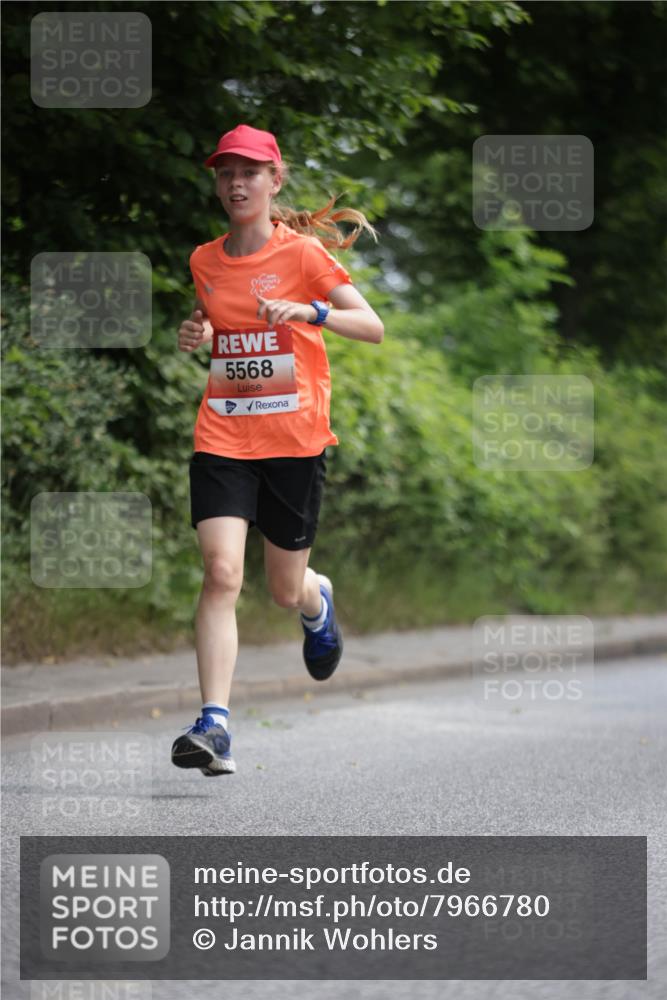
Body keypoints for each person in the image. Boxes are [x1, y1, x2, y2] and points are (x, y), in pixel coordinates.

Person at [170, 124, 384, 777]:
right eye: (226, 173)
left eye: (250, 173)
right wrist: (198, 333)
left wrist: (309, 312)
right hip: (224, 435)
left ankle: (318, 602)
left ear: (274, 180)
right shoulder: (204, 261)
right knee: (221, 573)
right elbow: (224, 332)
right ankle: (215, 725)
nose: (236, 183)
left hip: (293, 442)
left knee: (285, 591)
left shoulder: (303, 257)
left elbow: (371, 326)